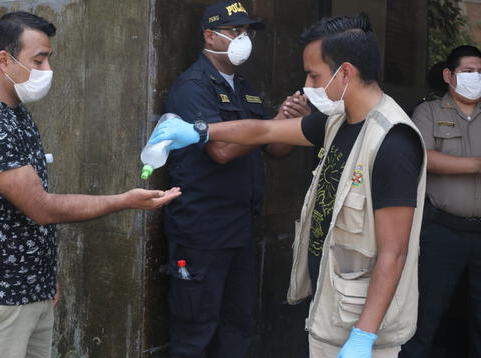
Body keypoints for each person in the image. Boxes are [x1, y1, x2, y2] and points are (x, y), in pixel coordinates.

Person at [151, 13, 426, 358]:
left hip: (363, 326)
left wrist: (364, 336)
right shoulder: (337, 121)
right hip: (331, 308)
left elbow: (394, 251)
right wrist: (202, 131)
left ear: (345, 72)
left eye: (314, 75)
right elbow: (266, 131)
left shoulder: (392, 141)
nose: (308, 85)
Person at [0, 11, 180, 358]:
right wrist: (124, 200)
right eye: (38, 60)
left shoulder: (16, 114)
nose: (47, 69)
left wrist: (43, 277)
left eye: (49, 59)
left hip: (30, 292)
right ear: (4, 60)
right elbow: (40, 207)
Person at [161, 2, 293, 357]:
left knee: (236, 326)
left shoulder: (246, 89)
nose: (244, 39)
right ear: (210, 35)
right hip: (202, 231)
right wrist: (269, 127)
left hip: (239, 228)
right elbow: (219, 149)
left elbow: (275, 149)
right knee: (195, 332)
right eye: (235, 32)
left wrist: (286, 121)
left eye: (247, 32)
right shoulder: (193, 86)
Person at [400, 45, 481, 358]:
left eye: (480, 72)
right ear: (449, 75)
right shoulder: (428, 112)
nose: (476, 78)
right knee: (425, 315)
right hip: (442, 231)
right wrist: (475, 164)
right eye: (468, 71)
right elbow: (424, 158)